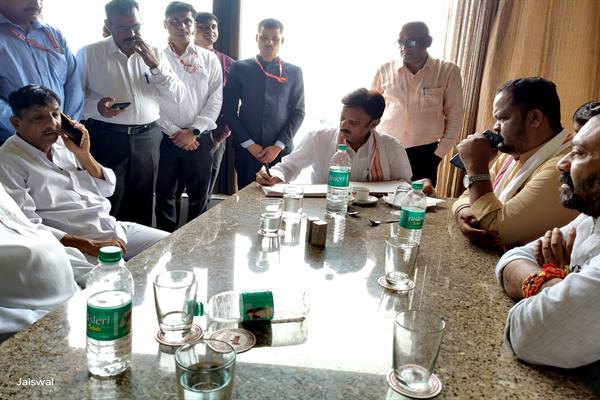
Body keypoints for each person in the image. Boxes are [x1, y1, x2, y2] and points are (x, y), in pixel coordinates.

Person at [0, 85, 169, 265]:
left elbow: (107, 189)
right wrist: (89, 245)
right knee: (125, 276)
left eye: (55, 114)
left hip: (111, 227)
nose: (52, 124)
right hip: (73, 246)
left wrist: (84, 155)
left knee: (178, 246)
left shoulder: (64, 143)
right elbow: (27, 227)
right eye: (38, 118)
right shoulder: (8, 162)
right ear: (16, 123)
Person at [495, 114, 600, 368]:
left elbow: (526, 334)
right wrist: (551, 281)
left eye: (578, 153)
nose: (562, 164)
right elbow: (512, 259)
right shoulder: (590, 218)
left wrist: (550, 286)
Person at [77, 0, 184, 226]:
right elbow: (76, 98)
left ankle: (138, 248)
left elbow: (176, 96)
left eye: (136, 26)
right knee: (107, 201)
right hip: (107, 138)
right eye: (124, 28)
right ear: (108, 25)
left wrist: (155, 66)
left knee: (143, 203)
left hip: (147, 138)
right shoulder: (90, 53)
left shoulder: (155, 52)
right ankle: (108, 246)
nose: (132, 33)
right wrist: (97, 107)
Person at [451, 77, 578, 249]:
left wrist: (477, 166)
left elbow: (495, 229)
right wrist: (464, 212)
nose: (495, 127)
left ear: (534, 118)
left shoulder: (563, 166)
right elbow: (467, 197)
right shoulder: (515, 152)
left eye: (503, 118)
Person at [154, 2, 222, 232]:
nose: (181, 26)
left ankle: (195, 244)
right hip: (165, 138)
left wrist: (194, 131)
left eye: (187, 21)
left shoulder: (209, 59)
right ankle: (163, 243)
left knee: (199, 197)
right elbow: (151, 100)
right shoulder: (155, 57)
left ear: (193, 25)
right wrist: (174, 131)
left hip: (200, 139)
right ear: (165, 24)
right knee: (165, 195)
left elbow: (215, 99)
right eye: (174, 21)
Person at [256, 88, 412, 186]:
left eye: (353, 122)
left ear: (374, 123)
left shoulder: (392, 147)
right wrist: (272, 175)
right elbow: (288, 167)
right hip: (326, 212)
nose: (344, 125)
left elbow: (403, 185)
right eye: (342, 118)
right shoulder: (319, 138)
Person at [372, 21, 463, 186]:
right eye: (400, 42)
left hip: (425, 154)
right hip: (385, 149)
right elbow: (370, 112)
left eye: (411, 42)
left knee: (418, 200)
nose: (404, 48)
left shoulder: (448, 71)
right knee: (380, 196)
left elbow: (455, 117)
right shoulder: (384, 70)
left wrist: (437, 155)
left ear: (428, 42)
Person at [0, 181, 92, 340]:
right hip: (34, 330)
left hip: (77, 302)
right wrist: (43, 322)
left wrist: (94, 277)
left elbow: (37, 236)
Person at [223, 18, 305, 189]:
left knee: (279, 198)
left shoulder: (294, 71)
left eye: (275, 38)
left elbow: (299, 112)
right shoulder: (239, 67)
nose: (269, 42)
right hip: (247, 150)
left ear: (282, 41)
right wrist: (249, 144)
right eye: (264, 37)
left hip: (280, 150)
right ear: (257, 38)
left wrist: (278, 146)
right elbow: (229, 110)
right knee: (247, 197)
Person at [0, 0, 83, 144]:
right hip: (16, 140)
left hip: (60, 136)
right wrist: (27, 128)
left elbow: (73, 83)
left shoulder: (53, 34)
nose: (35, 2)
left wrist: (66, 125)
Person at [195, 11, 235, 198]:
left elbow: (232, 103)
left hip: (214, 134)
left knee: (204, 191)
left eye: (213, 27)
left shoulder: (229, 64)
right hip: (180, 133)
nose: (209, 31)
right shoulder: (180, 59)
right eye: (202, 27)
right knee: (173, 190)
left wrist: (219, 136)